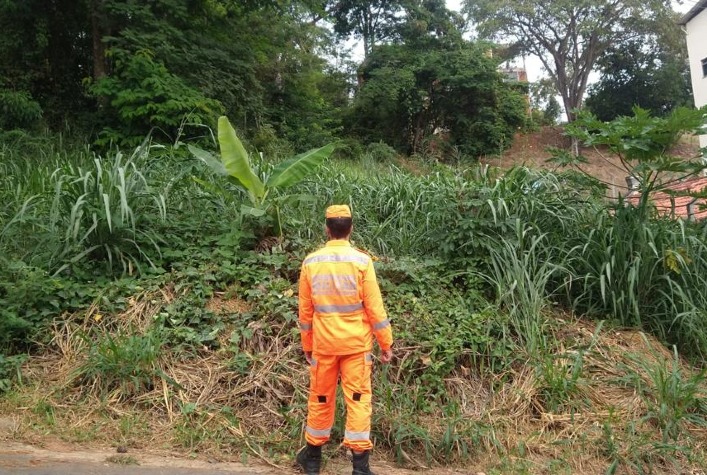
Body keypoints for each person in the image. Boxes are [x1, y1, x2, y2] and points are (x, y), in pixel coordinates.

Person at [296, 204, 393, 475]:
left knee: (321, 398)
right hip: (356, 347)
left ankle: (313, 460)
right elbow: (375, 308)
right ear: (351, 229)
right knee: (359, 400)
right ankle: (360, 468)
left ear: (327, 229)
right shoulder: (362, 262)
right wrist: (386, 343)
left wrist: (307, 344)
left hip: (324, 346)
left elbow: (305, 311)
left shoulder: (311, 262)